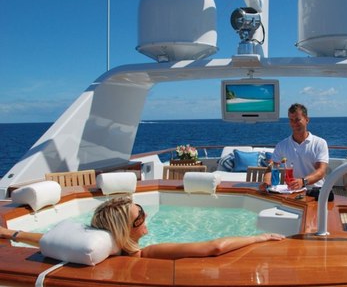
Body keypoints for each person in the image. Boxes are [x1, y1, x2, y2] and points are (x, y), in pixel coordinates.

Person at [0, 196, 284, 260]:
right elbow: (215, 247)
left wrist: (10, 233)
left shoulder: (107, 248)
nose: (145, 220)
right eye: (140, 218)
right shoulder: (143, 254)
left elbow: (42, 238)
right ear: (125, 229)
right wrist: (260, 236)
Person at [260, 103, 329, 191]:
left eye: (297, 119)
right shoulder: (282, 145)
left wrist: (303, 182)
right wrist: (266, 182)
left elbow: (321, 171)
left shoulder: (319, 143)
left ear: (307, 120)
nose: (294, 123)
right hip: (292, 191)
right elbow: (271, 166)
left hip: (315, 191)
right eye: (291, 120)